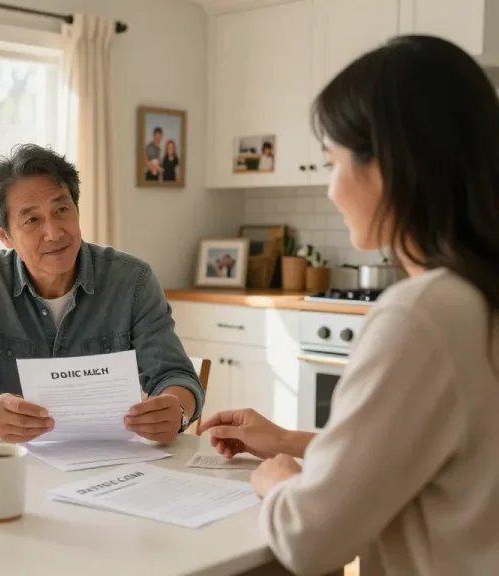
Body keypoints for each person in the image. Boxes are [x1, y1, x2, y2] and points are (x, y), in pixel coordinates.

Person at [199, 35, 499, 575]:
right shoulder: (479, 294)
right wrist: (288, 440)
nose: (330, 189)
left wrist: (279, 480)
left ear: (386, 165)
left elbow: (311, 539)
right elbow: (435, 455)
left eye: (332, 162)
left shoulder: (425, 313)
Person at [0, 143, 203, 445]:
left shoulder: (132, 280)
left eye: (61, 210)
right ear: (4, 235)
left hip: (115, 459)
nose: (55, 232)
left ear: (77, 209)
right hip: (20, 460)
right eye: (32, 220)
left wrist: (177, 412)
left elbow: (175, 376)